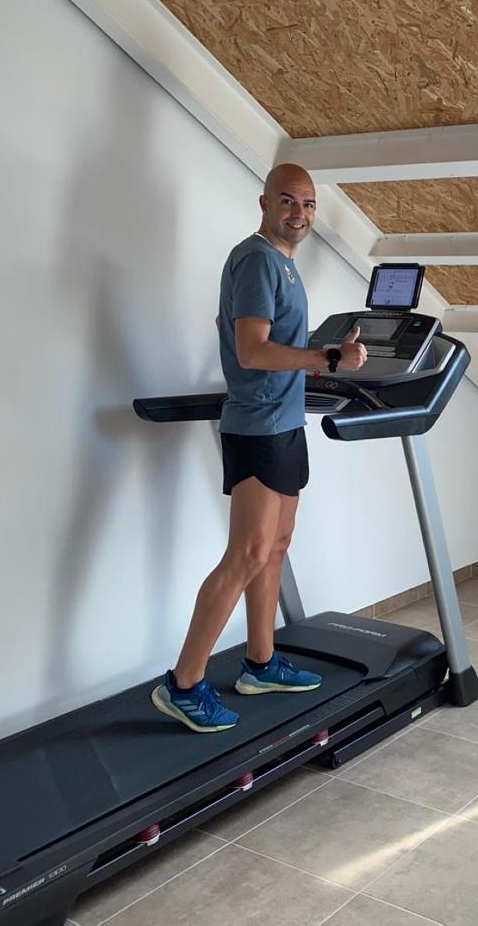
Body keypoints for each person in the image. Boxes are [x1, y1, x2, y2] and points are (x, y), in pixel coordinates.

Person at [151, 163, 367, 732]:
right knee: (247, 554)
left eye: (309, 205)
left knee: (276, 547)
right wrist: (326, 358)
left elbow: (278, 345)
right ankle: (183, 684)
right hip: (259, 426)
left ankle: (262, 663)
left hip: (286, 422)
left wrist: (326, 357)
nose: (300, 214)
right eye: (289, 201)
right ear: (265, 202)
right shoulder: (256, 260)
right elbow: (252, 350)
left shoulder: (284, 265)